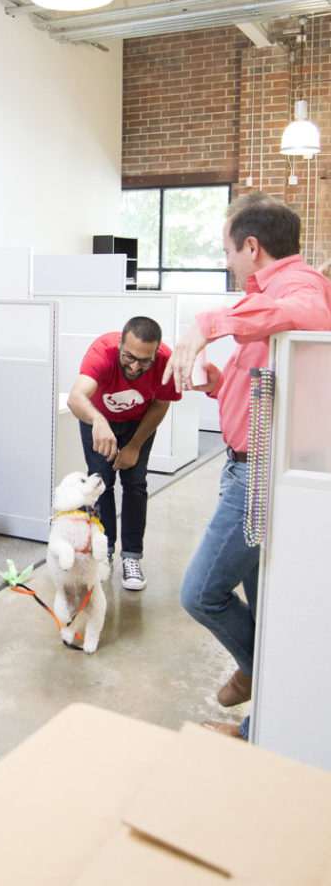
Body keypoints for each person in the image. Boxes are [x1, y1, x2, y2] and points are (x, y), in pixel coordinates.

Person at [163, 191, 331, 739]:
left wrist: (206, 324)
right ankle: (264, 723)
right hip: (245, 465)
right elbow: (260, 381)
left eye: (229, 251)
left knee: (201, 593)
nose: (227, 261)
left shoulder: (298, 288)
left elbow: (308, 314)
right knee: (264, 603)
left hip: (258, 472)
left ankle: (262, 675)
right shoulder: (263, 301)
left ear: (252, 247)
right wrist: (216, 382)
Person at [67, 316, 182, 591]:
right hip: (97, 419)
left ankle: (131, 556)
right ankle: (104, 550)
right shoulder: (102, 352)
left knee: (135, 483)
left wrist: (134, 447)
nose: (134, 366)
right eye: (129, 356)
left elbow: (160, 405)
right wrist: (98, 421)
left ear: (156, 352)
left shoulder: (167, 360)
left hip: (138, 423)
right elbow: (76, 398)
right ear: (120, 344)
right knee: (100, 483)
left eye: (145, 360)